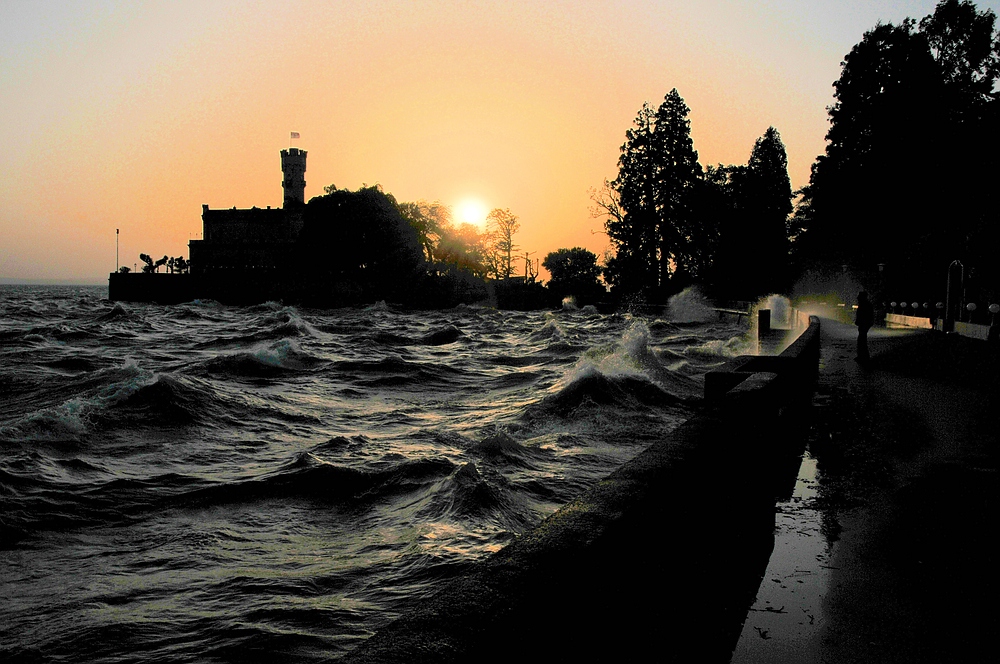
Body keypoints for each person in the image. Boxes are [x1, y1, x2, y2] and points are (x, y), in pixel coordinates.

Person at [855, 291, 874, 363]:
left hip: (864, 324)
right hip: (865, 324)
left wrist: (859, 321)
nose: (857, 298)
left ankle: (862, 357)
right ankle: (863, 356)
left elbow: (863, 315)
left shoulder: (864, 304)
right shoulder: (867, 304)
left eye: (859, 296)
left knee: (861, 340)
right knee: (862, 339)